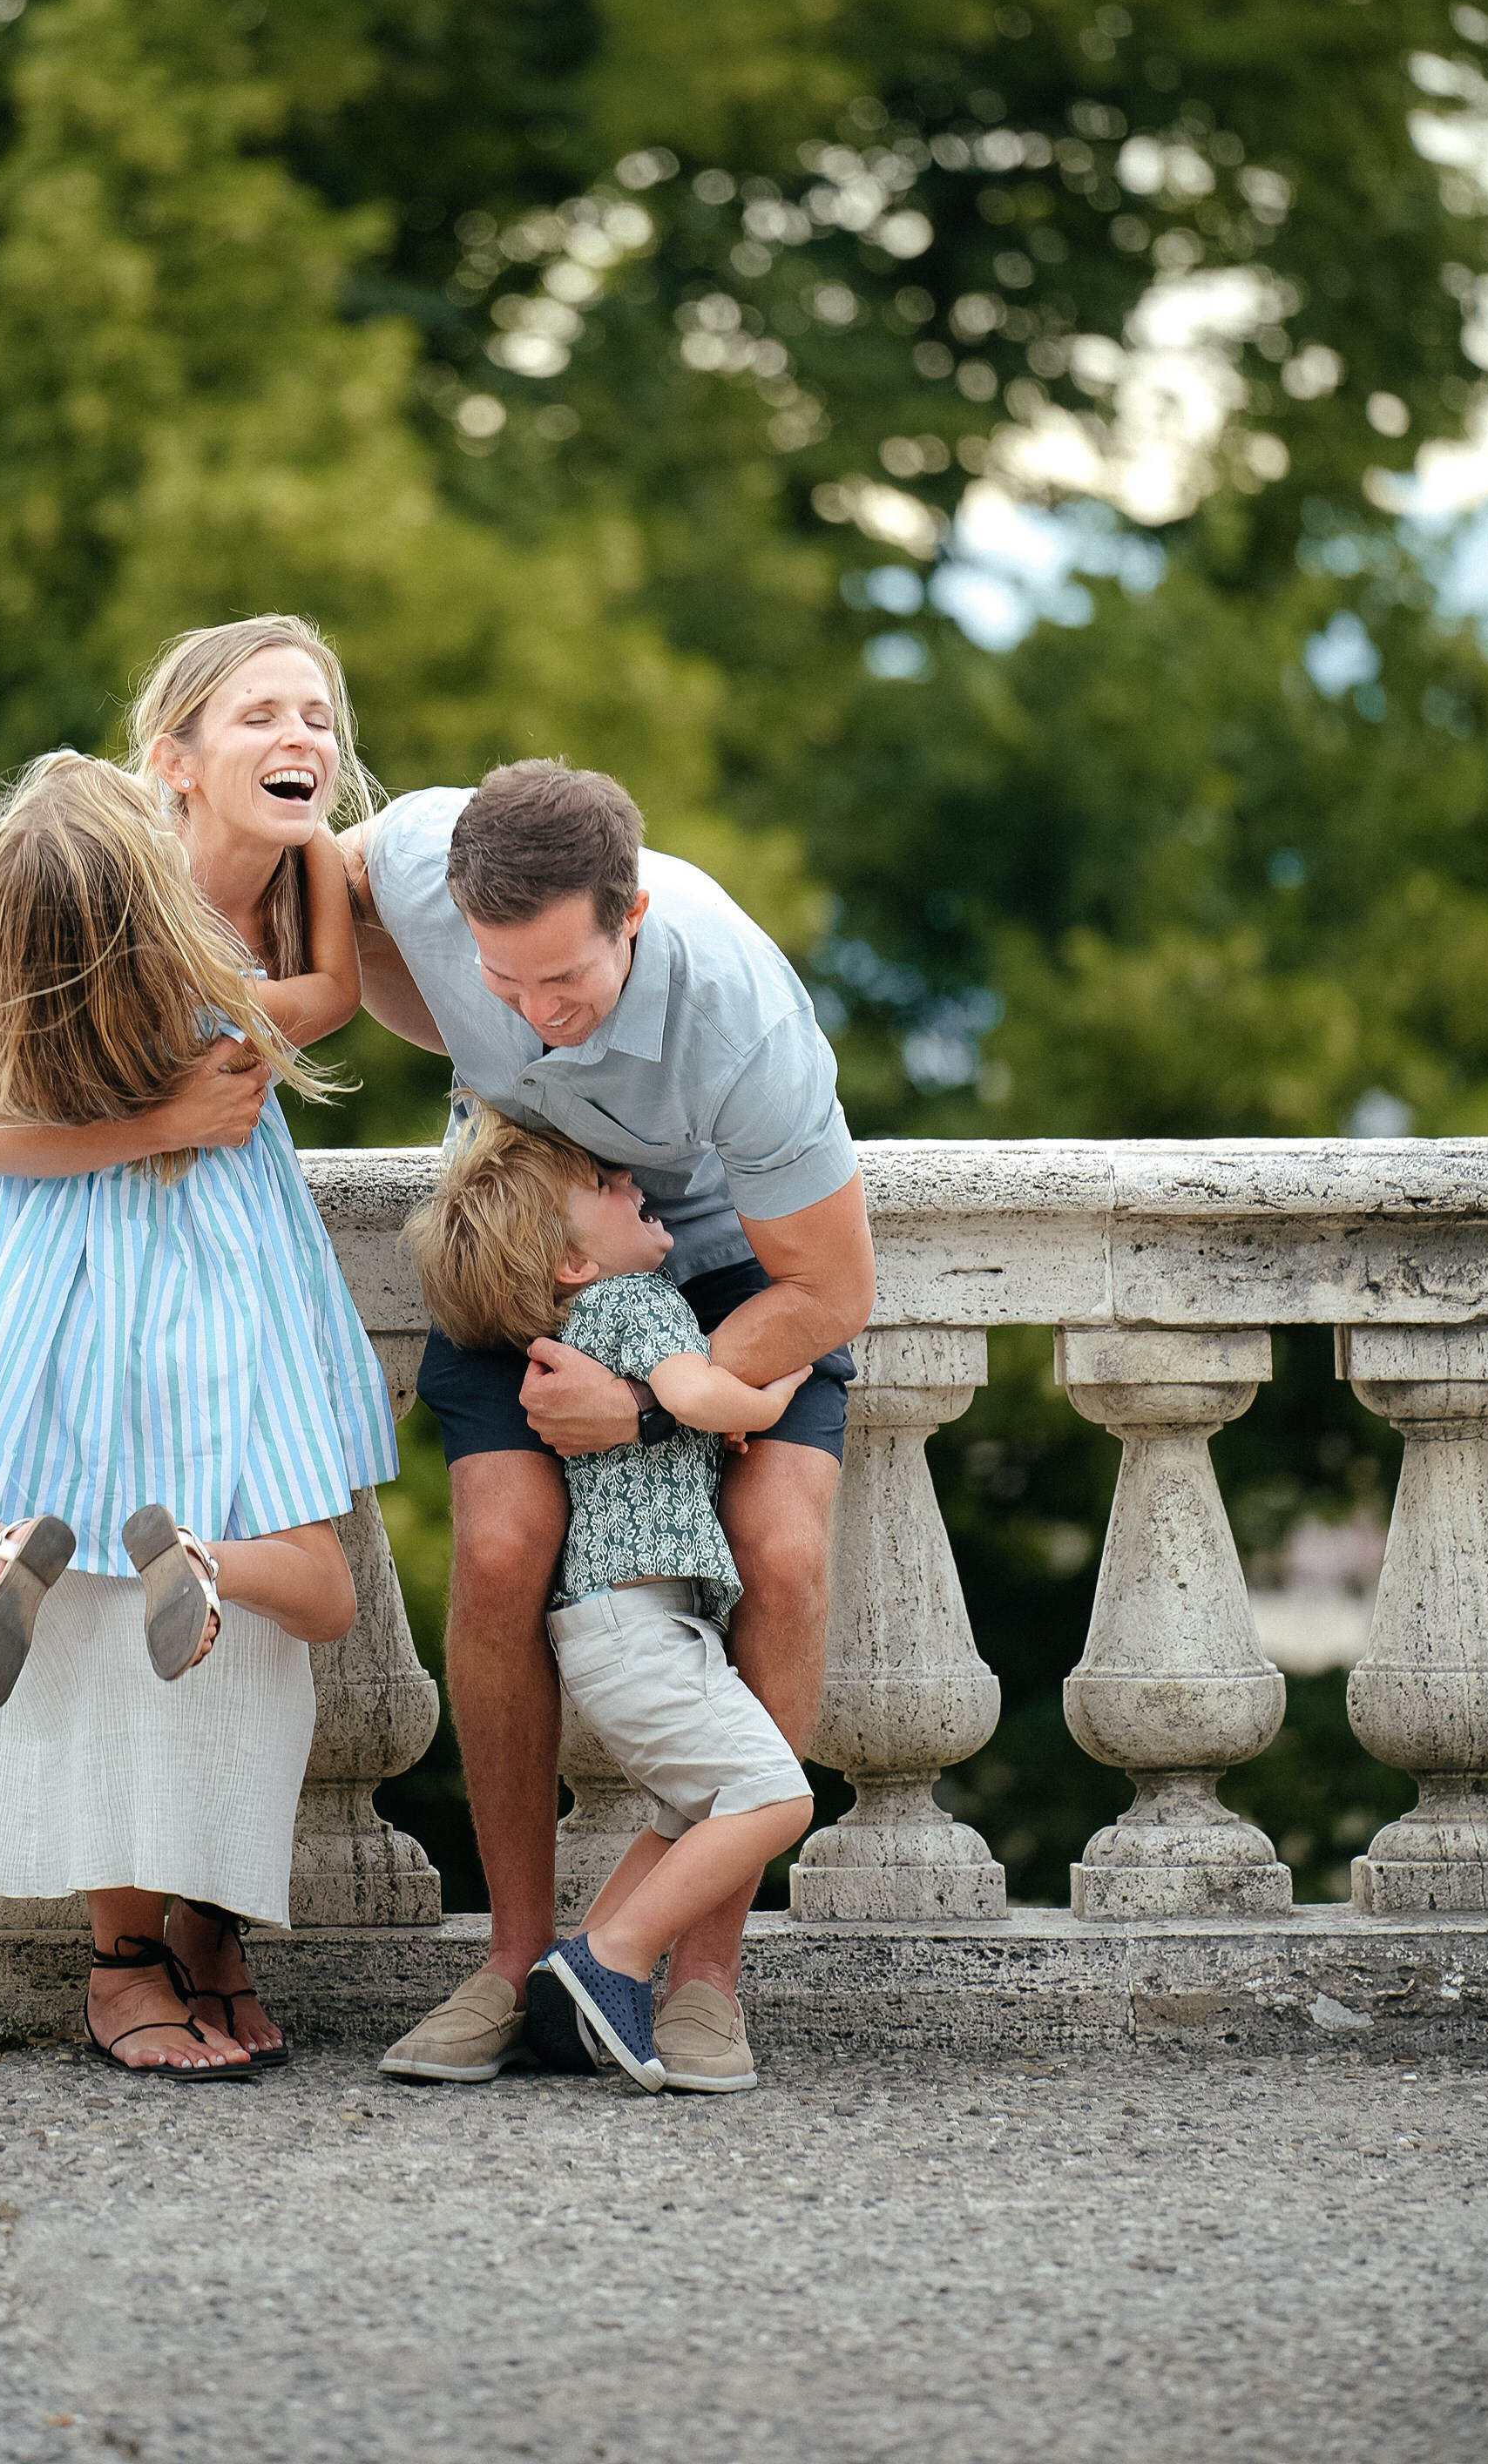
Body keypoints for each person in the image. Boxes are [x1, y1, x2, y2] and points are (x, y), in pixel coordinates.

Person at [0, 617, 395, 2076]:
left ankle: (201, 1916)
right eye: (262, 711)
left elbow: (327, 999)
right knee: (104, 1596)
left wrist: (235, 1009)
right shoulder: (94, 858)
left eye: (319, 714)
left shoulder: (316, 863)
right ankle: (130, 1946)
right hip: (65, 1227)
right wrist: (165, 1103)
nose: (301, 737)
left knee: (211, 1578)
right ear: (175, 758)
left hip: (216, 1236)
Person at [348, 759, 875, 2096]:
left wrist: (639, 1404)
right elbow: (310, 882)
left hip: (717, 1269)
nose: (531, 1014)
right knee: (502, 1546)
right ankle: (514, 1964)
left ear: (629, 912)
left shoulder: (739, 1015)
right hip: (539, 1249)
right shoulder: (422, 853)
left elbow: (832, 1286)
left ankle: (698, 1977)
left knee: (785, 1549)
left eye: (562, 984)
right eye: (499, 979)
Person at [406, 1107, 814, 2091]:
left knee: (690, 1811)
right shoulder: (636, 1306)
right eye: (603, 1187)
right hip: (642, 1632)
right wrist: (783, 1374)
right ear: (573, 1264)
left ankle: (567, 1972)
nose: (631, 1181)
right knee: (776, 1797)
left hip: (617, 1626)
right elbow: (706, 1400)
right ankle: (614, 1959)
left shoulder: (587, 1316)